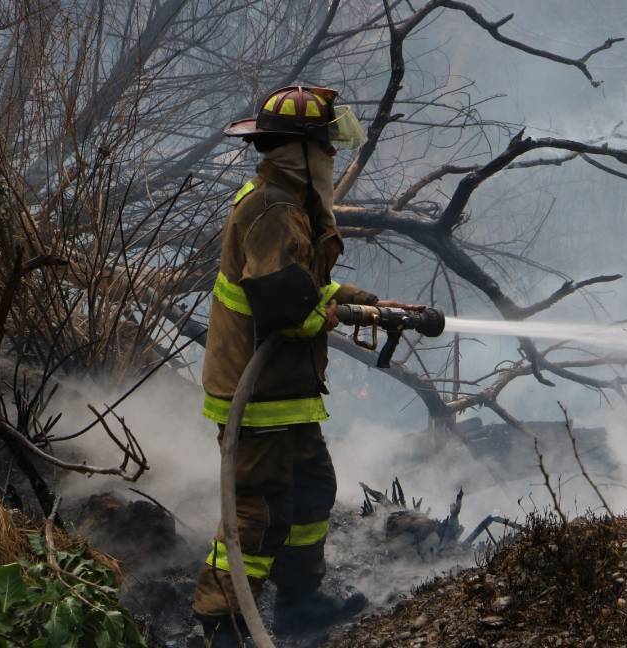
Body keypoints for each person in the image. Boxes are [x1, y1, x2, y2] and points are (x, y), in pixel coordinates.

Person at [189, 85, 419, 646]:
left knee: (312, 491)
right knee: (257, 510)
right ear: (301, 151)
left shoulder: (288, 202)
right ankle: (222, 623)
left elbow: (305, 285)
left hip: (284, 390)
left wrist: (371, 304)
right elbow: (286, 307)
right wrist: (333, 313)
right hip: (257, 393)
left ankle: (299, 603)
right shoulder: (273, 210)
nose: (332, 157)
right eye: (326, 146)